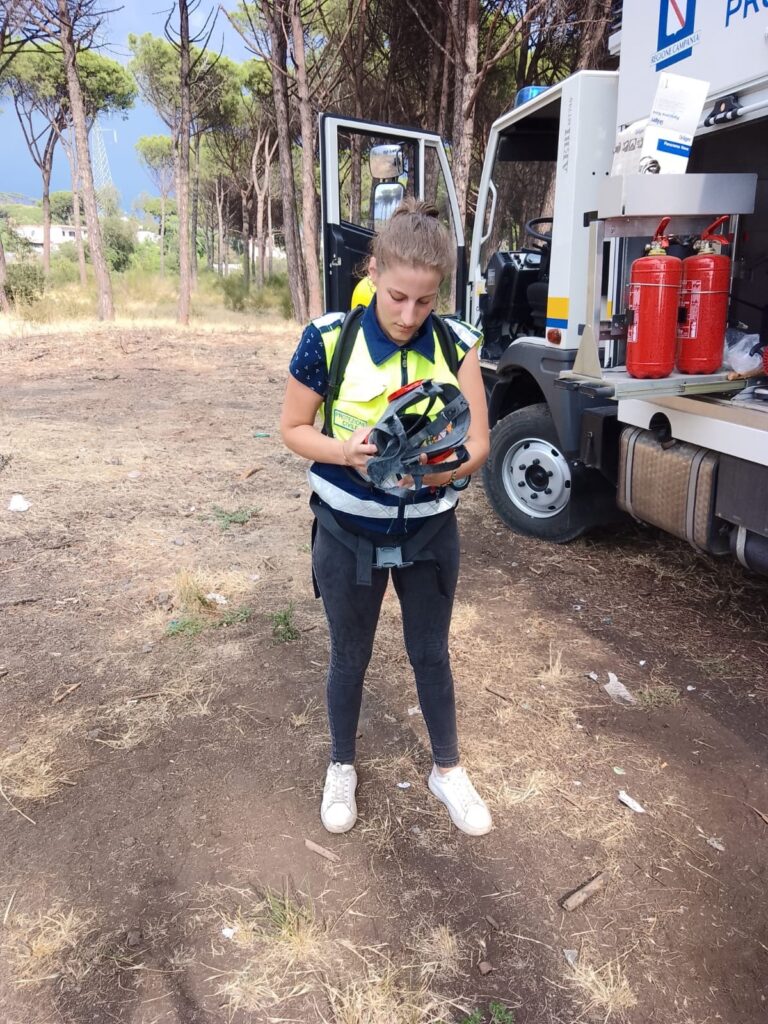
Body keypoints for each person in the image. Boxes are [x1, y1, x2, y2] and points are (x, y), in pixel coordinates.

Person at [280, 199, 492, 837]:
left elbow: (480, 442)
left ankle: (447, 769)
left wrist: (442, 471)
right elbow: (293, 428)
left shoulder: (456, 343)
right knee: (349, 656)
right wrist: (344, 451)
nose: (408, 315)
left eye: (424, 302)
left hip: (430, 532)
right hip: (346, 534)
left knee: (431, 653)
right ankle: (341, 764)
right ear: (372, 271)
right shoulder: (328, 339)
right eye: (397, 296)